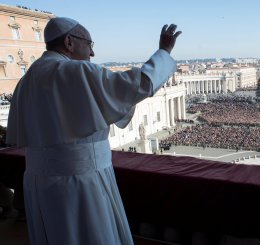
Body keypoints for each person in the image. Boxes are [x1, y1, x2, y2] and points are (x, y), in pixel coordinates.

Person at [6, 17, 181, 245]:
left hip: (39, 183)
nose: (92, 54)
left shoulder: (27, 79)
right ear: (69, 42)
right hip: (80, 181)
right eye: (90, 45)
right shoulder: (75, 71)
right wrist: (164, 51)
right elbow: (139, 84)